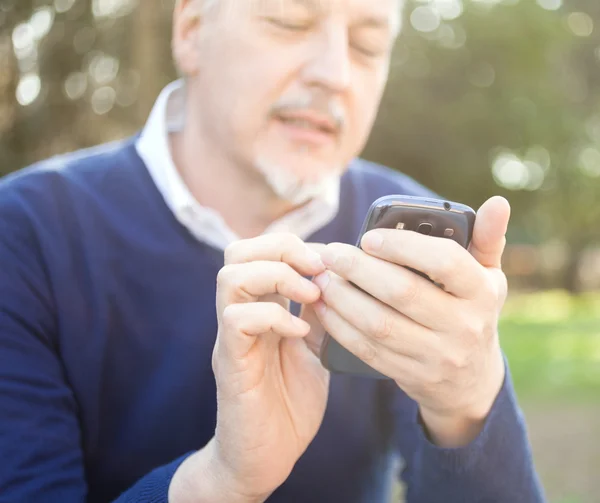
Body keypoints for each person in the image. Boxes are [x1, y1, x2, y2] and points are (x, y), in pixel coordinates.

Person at [0, 0, 545, 502]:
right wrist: (218, 482)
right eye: (289, 21)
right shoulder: (25, 233)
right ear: (191, 31)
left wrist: (469, 405)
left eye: (368, 45)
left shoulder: (409, 239)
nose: (335, 74)